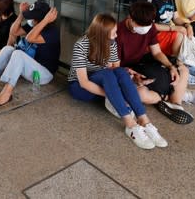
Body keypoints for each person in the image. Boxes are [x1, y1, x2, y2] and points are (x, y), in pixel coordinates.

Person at [68, 14, 167, 149]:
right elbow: (83, 82)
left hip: (103, 82)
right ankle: (130, 125)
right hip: (80, 87)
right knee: (107, 74)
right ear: (102, 33)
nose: (116, 35)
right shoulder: (81, 45)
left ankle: (144, 120)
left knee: (120, 72)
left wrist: (129, 75)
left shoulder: (111, 43)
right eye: (114, 32)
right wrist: (115, 95)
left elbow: (116, 69)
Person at [116, 1, 195, 124]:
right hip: (129, 68)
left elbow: (156, 52)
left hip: (144, 61)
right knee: (139, 94)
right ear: (130, 18)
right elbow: (116, 66)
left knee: (182, 69)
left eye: (147, 25)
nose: (144, 29)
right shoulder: (118, 32)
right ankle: (175, 95)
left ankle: (176, 104)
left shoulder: (149, 28)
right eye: (140, 25)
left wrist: (170, 66)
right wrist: (133, 75)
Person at [0, 1, 60, 107]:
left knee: (18, 54)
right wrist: (21, 14)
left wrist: (45, 21)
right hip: (31, 68)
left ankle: (7, 93)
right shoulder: (35, 25)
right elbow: (13, 32)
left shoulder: (52, 32)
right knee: (8, 49)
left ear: (40, 20)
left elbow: (29, 38)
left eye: (32, 18)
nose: (30, 20)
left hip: (43, 75)